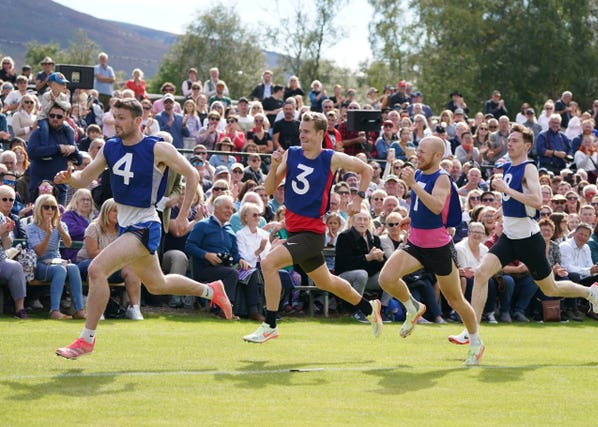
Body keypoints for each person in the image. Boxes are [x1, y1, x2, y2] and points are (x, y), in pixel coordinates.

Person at [53, 98, 232, 359]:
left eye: (122, 118)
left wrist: (182, 216)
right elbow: (84, 178)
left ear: (138, 121)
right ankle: (211, 290)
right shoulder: (110, 147)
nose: (116, 122)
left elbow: (192, 174)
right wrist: (70, 178)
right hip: (127, 226)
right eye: (114, 116)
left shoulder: (157, 148)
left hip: (146, 224)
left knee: (96, 269)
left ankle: (85, 340)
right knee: (157, 284)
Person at [449, 124, 598, 347]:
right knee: (482, 274)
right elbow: (515, 200)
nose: (509, 144)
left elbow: (537, 202)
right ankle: (472, 333)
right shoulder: (509, 167)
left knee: (550, 288)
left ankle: (589, 292)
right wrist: (501, 210)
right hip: (509, 238)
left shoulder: (529, 168)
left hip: (529, 241)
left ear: (527, 145)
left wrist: (505, 190)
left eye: (514, 141)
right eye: (509, 140)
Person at [243, 111, 382, 343]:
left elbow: (366, 170)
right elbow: (268, 189)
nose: (301, 136)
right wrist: (274, 165)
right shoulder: (291, 154)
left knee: (268, 263)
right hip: (296, 231)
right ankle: (369, 307)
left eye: (306, 132)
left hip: (312, 234)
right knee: (325, 282)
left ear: (320, 133)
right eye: (300, 131)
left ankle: (270, 324)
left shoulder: (331, 158)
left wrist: (358, 198)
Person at [375, 136, 483, 365]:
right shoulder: (421, 174)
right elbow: (421, 207)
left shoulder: (441, 178)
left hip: (438, 248)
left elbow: (436, 206)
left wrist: (412, 184)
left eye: (423, 151)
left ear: (436, 156)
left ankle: (475, 342)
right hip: (415, 243)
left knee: (455, 299)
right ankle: (412, 307)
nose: (418, 155)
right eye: (418, 150)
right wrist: (409, 217)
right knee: (386, 278)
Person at [76, 198, 144, 320]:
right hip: (88, 263)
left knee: (132, 270)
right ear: (106, 212)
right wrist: (115, 254)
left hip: (113, 265)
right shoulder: (93, 227)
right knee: (97, 268)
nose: (118, 215)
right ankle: (97, 310)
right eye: (114, 211)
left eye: (120, 212)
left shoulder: (122, 230)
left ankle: (134, 308)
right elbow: (92, 253)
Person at [27, 194, 86, 320]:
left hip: (57, 261)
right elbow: (40, 252)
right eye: (46, 207)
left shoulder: (61, 225)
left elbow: (69, 244)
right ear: (39, 209)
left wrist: (60, 229)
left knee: (73, 268)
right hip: (40, 264)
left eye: (53, 208)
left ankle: (79, 310)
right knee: (60, 270)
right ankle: (54, 310)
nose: (50, 210)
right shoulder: (31, 227)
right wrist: (48, 234)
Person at [27, 101, 82, 204]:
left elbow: (79, 160)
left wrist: (73, 149)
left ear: (65, 118)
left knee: (59, 219)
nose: (55, 118)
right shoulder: (38, 133)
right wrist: (58, 148)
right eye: (52, 116)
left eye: (59, 116)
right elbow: (31, 152)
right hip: (38, 188)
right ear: (47, 116)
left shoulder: (67, 135)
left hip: (59, 189)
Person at [0, 184, 28, 318]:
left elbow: (5, 247)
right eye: (4, 199)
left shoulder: (3, 218)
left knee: (16, 266)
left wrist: (6, 234)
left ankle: (20, 309)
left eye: (11, 200)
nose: (8, 202)